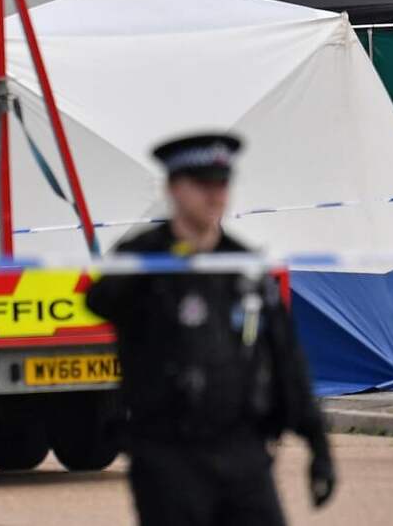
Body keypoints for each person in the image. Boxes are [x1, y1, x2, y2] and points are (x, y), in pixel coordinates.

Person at [86, 133, 335, 526]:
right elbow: (99, 301)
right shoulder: (145, 258)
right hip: (168, 455)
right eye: (201, 184)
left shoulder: (242, 265)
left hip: (243, 451)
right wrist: (164, 258)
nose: (215, 195)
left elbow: (285, 356)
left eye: (221, 184)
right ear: (173, 189)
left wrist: (318, 444)